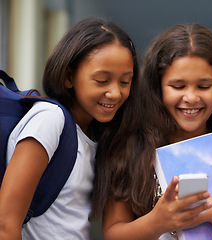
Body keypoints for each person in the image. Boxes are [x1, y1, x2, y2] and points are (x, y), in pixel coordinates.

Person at [91, 23, 212, 240]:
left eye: (203, 86)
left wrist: (207, 208)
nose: (191, 98)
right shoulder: (131, 149)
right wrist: (158, 221)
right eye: (178, 86)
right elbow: (113, 233)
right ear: (157, 87)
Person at [0, 17, 139, 239]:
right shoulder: (50, 120)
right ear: (68, 77)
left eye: (125, 82)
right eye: (102, 81)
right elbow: (5, 225)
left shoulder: (98, 136)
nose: (115, 93)